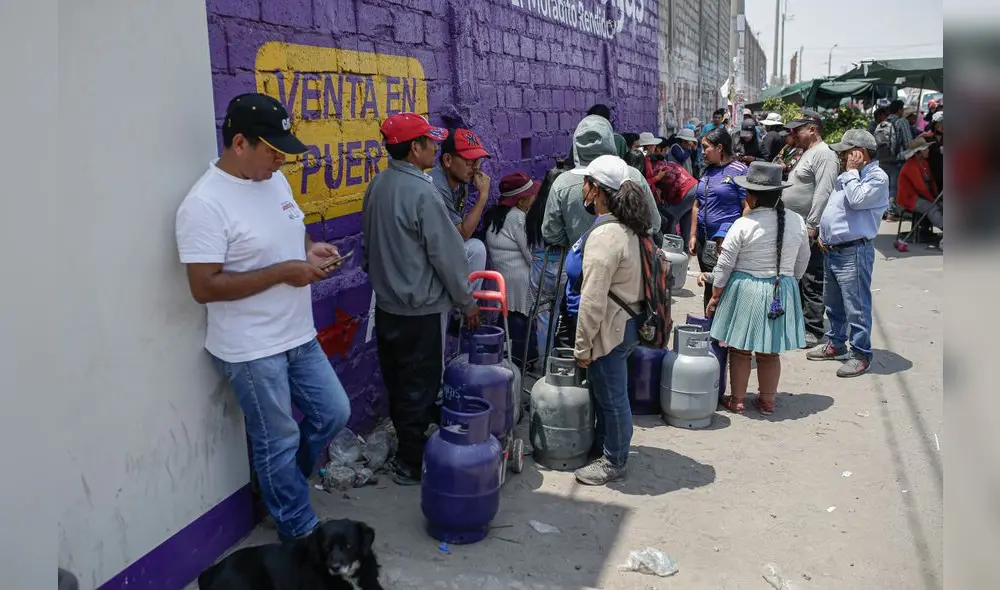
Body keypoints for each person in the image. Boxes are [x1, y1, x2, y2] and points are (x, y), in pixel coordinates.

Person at [175, 93, 352, 541]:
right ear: (239, 143)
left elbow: (288, 234)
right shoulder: (204, 205)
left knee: (333, 412)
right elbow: (204, 287)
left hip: (297, 333)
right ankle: (298, 527)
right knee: (278, 439)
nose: (281, 159)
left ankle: (278, 483)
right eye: (272, 150)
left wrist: (307, 253)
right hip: (252, 348)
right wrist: (285, 273)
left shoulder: (273, 181)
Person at [362, 112, 480, 485]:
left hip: (387, 307)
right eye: (430, 142)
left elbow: (368, 251)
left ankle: (409, 451)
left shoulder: (377, 185)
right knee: (421, 385)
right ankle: (412, 461)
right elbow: (447, 256)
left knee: (399, 383)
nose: (435, 147)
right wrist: (467, 302)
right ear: (415, 149)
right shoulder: (423, 192)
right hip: (420, 310)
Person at [565, 155, 650, 486]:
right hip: (626, 323)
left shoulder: (606, 235)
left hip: (609, 328)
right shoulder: (626, 226)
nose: (581, 190)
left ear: (596, 190)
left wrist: (582, 346)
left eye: (585, 183)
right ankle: (604, 448)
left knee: (613, 397)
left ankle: (614, 461)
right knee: (609, 392)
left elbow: (592, 299)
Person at [705, 162, 810, 415]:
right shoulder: (797, 221)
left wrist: (715, 295)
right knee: (770, 352)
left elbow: (725, 264)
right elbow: (802, 261)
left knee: (740, 350)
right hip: (780, 289)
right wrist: (788, 282)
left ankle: (737, 400)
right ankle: (767, 401)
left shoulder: (743, 225)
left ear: (751, 196)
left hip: (746, 289)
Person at [807, 129, 890, 377]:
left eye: (846, 152)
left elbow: (856, 201)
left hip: (854, 252)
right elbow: (835, 207)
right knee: (833, 304)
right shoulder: (850, 175)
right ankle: (836, 343)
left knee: (857, 307)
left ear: (859, 153)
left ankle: (861, 354)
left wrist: (852, 172)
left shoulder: (876, 177)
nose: (842, 157)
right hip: (833, 250)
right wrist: (824, 233)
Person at [781, 109, 840, 348]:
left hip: (808, 228)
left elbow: (823, 192)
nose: (794, 133)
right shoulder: (806, 153)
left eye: (798, 128)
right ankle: (797, 324)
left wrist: (812, 225)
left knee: (811, 279)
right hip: (796, 226)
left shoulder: (824, 155)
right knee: (796, 275)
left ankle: (814, 330)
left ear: (812, 129)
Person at [483, 172, 540, 366]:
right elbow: (530, 256)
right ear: (522, 200)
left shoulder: (494, 216)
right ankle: (525, 362)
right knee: (523, 324)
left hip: (503, 281)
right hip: (520, 282)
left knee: (508, 323)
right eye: (531, 195)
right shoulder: (518, 218)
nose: (534, 199)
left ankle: (510, 361)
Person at [689, 127, 749, 310]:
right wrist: (692, 235)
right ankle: (710, 327)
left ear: (719, 148)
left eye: (706, 147)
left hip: (725, 243)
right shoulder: (706, 171)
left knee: (725, 287)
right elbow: (697, 204)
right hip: (703, 239)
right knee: (708, 282)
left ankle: (723, 333)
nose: (702, 152)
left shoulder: (740, 171)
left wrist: (735, 237)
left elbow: (747, 207)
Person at [429, 128, 491, 277]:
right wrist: (483, 196)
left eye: (478, 161)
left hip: (440, 251)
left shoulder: (461, 182)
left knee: (475, 248)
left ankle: (465, 298)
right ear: (448, 160)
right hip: (419, 261)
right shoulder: (436, 184)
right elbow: (461, 234)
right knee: (476, 248)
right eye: (469, 161)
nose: (476, 167)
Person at [525, 169, 569, 361]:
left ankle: (544, 360)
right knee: (556, 313)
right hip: (559, 267)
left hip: (537, 267)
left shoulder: (533, 210)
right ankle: (551, 360)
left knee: (542, 318)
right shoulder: (561, 210)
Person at [896, 137, 942, 231]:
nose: (928, 150)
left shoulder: (924, 163)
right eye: (925, 149)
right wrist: (933, 200)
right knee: (932, 207)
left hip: (921, 196)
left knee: (942, 204)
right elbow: (921, 188)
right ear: (918, 153)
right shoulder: (910, 166)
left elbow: (932, 181)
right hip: (909, 199)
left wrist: (937, 196)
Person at [655, 159, 699, 245]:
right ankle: (686, 247)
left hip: (686, 192)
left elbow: (673, 189)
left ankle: (671, 246)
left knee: (671, 219)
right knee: (686, 222)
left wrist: (667, 201)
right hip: (695, 187)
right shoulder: (671, 163)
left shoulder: (661, 172)